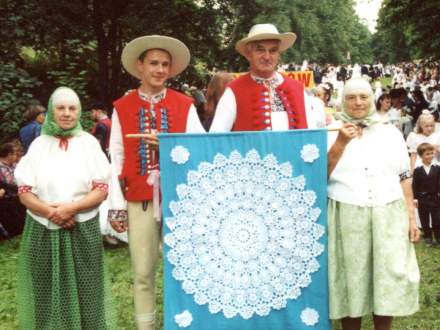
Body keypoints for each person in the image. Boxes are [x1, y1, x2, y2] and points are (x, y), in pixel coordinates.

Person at [108, 35, 204, 330]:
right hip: (140, 198)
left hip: (181, 198)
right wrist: (116, 205)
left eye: (165, 64)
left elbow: (200, 150)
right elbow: (116, 158)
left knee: (186, 268)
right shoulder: (122, 106)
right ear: (140, 66)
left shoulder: (184, 105)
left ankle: (186, 323)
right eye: (154, 63)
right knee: (143, 271)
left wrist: (168, 145)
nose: (160, 69)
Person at [14, 87, 115, 329]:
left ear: (79, 112)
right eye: (61, 108)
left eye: (72, 108)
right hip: (42, 229)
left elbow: (101, 188)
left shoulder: (89, 144)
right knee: (44, 291)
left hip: (82, 227)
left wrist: (71, 209)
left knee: (88, 289)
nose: (67, 113)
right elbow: (25, 192)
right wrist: (52, 213)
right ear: (51, 111)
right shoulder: (38, 145)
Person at [327, 78, 420, 330]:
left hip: (387, 211)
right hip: (347, 210)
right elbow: (319, 175)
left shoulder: (390, 132)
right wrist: (340, 143)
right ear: (342, 100)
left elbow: (404, 177)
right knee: (351, 278)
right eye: (351, 97)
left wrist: (412, 218)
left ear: (372, 99)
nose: (358, 102)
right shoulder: (329, 131)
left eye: (363, 97)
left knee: (386, 278)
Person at [209, 23, 309, 132]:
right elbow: (217, 136)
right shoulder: (234, 90)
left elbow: (314, 131)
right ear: (248, 54)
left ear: (278, 55)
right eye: (260, 50)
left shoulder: (298, 88)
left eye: (273, 51)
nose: (267, 57)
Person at [412, 142, 440, 246]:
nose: (430, 156)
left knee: (437, 219)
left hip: (435, 198)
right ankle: (428, 237)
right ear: (421, 156)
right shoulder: (418, 170)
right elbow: (415, 185)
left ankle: (438, 237)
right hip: (422, 198)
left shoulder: (437, 168)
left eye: (432, 153)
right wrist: (415, 198)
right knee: (424, 219)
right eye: (427, 154)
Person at [0, 142, 25, 238]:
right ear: (9, 154)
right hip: (6, 199)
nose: (17, 155)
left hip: (19, 196)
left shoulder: (15, 165)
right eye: (15, 153)